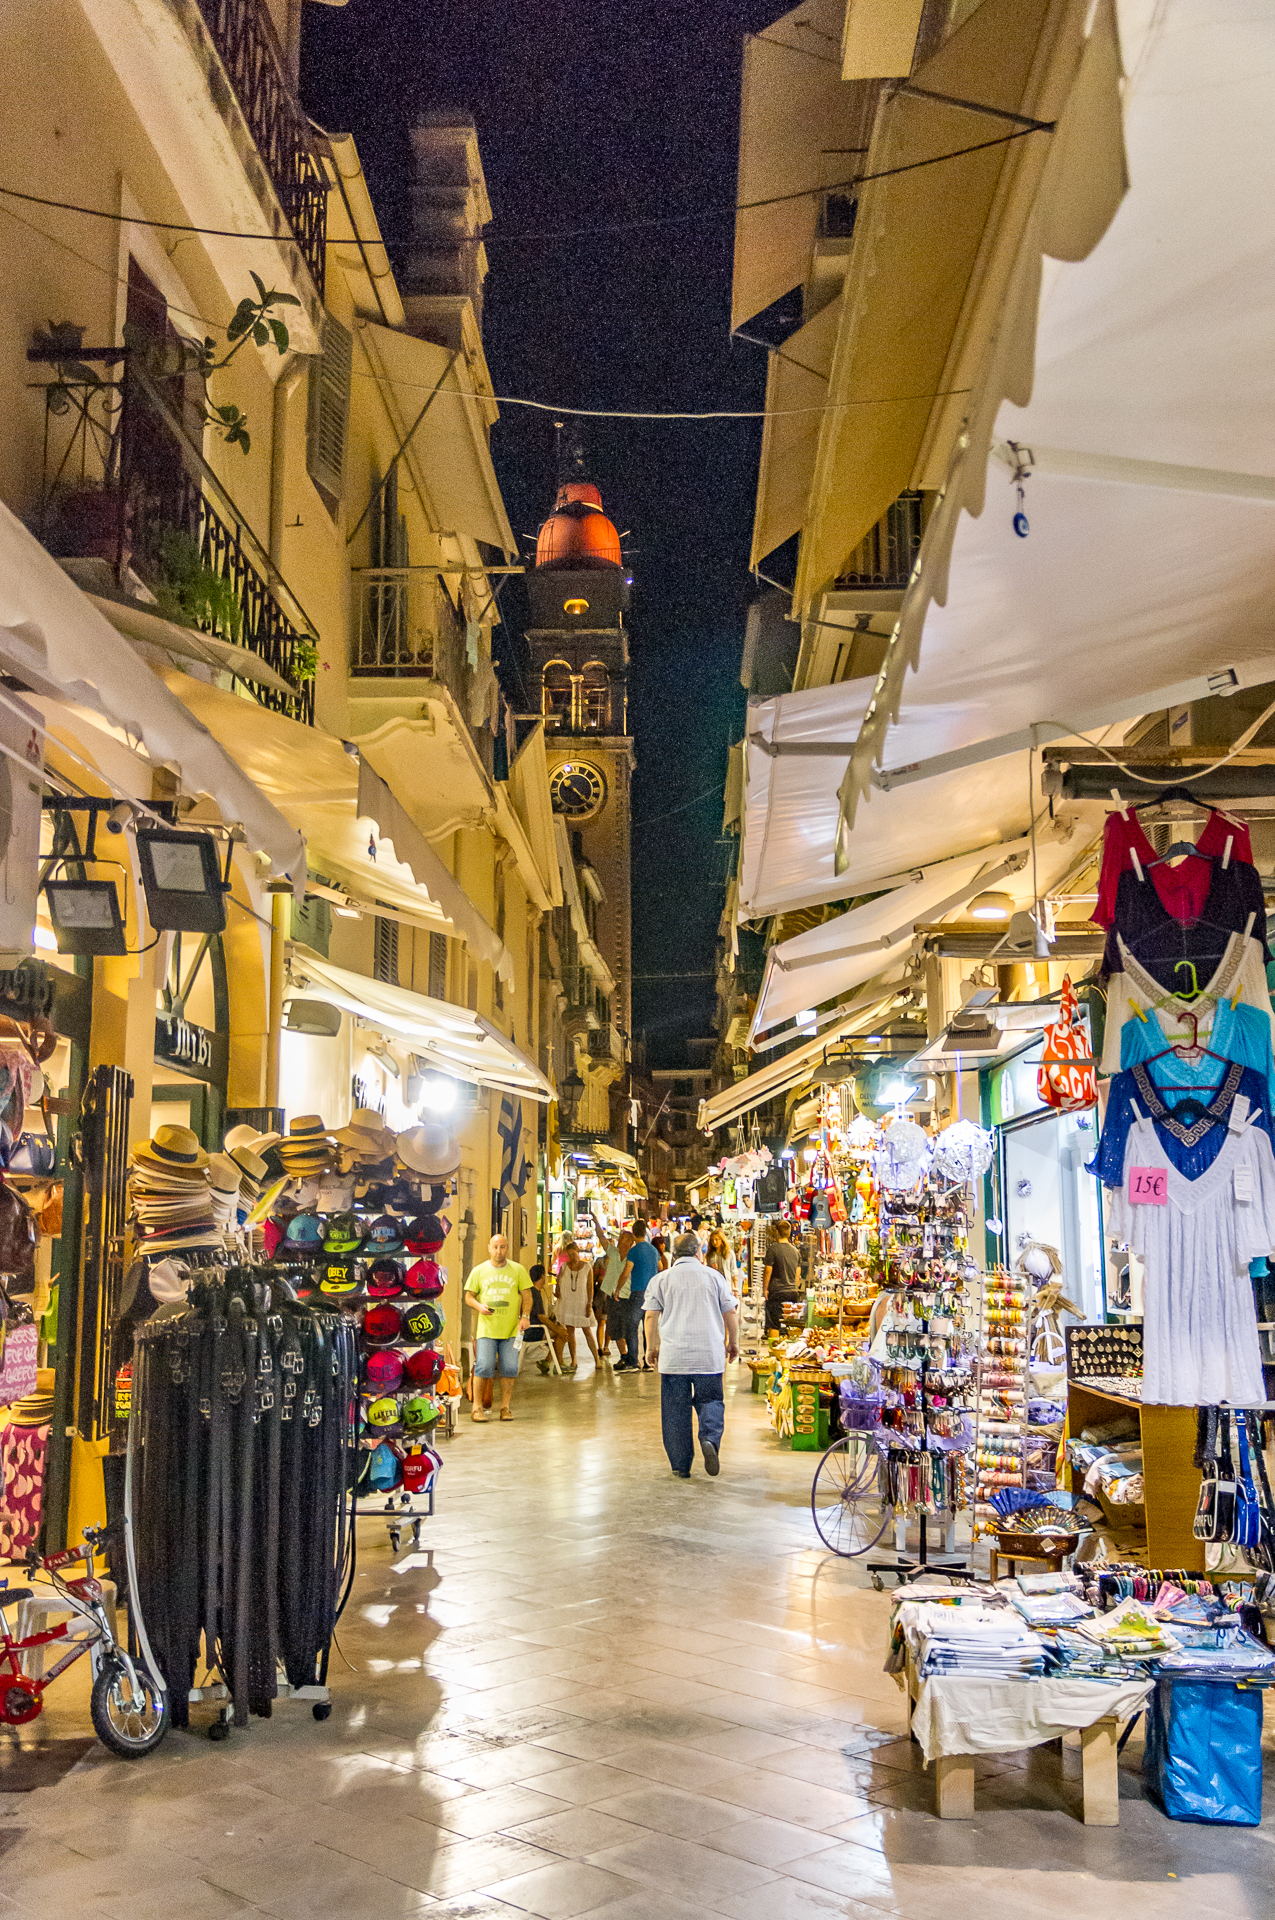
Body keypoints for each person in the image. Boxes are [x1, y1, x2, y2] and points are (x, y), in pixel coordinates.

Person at [643, 1229, 739, 1477]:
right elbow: (730, 1312)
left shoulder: (661, 1280)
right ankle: (709, 1439)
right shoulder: (714, 1277)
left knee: (675, 1411)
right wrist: (733, 1342)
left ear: (673, 1254)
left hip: (674, 1358)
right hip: (709, 1356)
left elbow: (651, 1316)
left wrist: (650, 1347)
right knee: (711, 1401)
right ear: (699, 1252)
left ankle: (680, 1464)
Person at [464, 1234, 533, 1421]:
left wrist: (525, 1317)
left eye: (502, 1247)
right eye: (495, 1247)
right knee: (484, 1366)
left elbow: (527, 1295)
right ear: (489, 1248)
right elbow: (469, 1296)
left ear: (507, 1248)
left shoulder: (518, 1270)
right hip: (487, 1329)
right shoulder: (479, 1271)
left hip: (511, 1330)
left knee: (510, 1368)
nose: (498, 1251)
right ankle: (477, 1407)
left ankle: (505, 1407)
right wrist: (479, 1306)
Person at [615, 1220, 660, 1372]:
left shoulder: (633, 1251)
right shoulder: (653, 1250)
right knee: (648, 1328)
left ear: (633, 1233)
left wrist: (617, 1289)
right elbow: (661, 1267)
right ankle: (648, 1361)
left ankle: (633, 1361)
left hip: (638, 1293)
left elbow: (626, 1272)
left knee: (631, 1327)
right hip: (652, 1294)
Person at [554, 1235, 601, 1370]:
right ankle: (574, 1360)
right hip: (568, 1302)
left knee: (587, 1331)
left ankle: (596, 1359)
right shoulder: (564, 1267)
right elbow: (559, 1282)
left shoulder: (587, 1268)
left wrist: (589, 1304)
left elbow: (590, 1288)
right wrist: (557, 1291)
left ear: (578, 1252)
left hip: (582, 1302)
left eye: (573, 1254)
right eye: (569, 1255)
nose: (572, 1257)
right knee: (570, 1331)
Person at [763, 1219, 804, 1333]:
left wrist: (765, 1288)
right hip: (791, 1292)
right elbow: (797, 1274)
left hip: (776, 1291)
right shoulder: (796, 1252)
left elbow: (768, 1271)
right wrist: (795, 1287)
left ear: (776, 1232)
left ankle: (774, 1349)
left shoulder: (772, 1250)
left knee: (774, 1324)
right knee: (790, 1325)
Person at [705, 1228, 739, 1296]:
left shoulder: (729, 1253)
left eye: (716, 1239)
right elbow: (707, 1271)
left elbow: (733, 1270)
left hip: (726, 1285)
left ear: (721, 1240)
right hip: (713, 1286)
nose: (714, 1242)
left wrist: (735, 1288)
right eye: (712, 1240)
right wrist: (710, 1267)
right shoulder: (710, 1254)